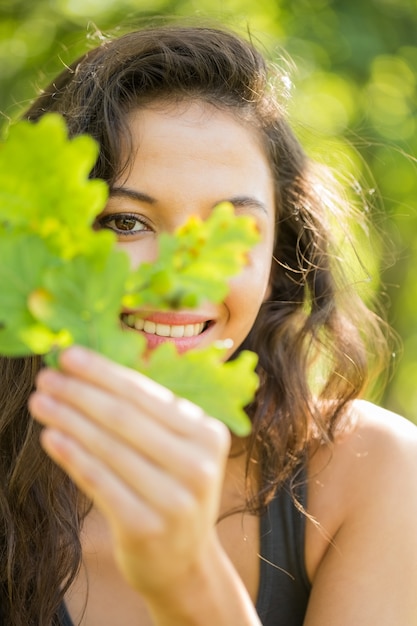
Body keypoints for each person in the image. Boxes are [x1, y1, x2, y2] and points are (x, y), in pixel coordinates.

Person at [1, 22, 417, 626]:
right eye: (124, 223)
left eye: (230, 232)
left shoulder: (376, 473)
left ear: (279, 257)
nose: (176, 282)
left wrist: (188, 579)